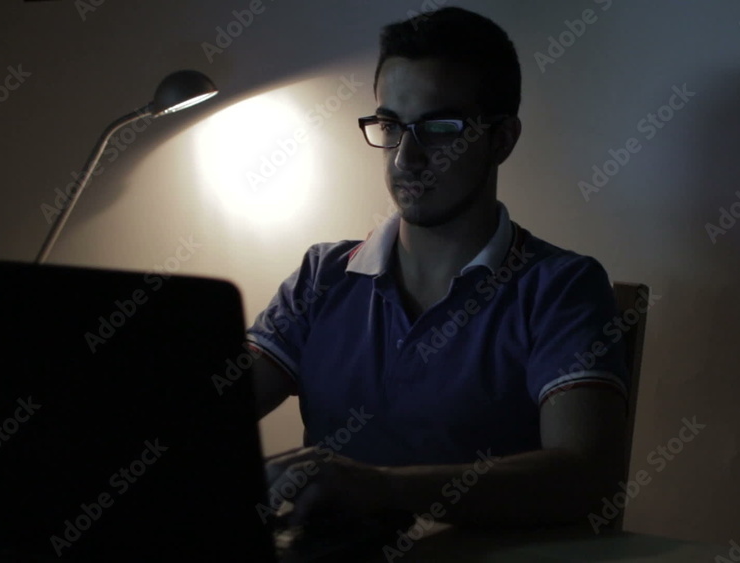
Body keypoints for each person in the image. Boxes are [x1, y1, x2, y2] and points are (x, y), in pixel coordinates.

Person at [246, 7, 629, 531]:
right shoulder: (323, 276)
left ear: (502, 139)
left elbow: (586, 475)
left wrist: (382, 489)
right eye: (390, 125)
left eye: (440, 127)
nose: (406, 158)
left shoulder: (560, 287)